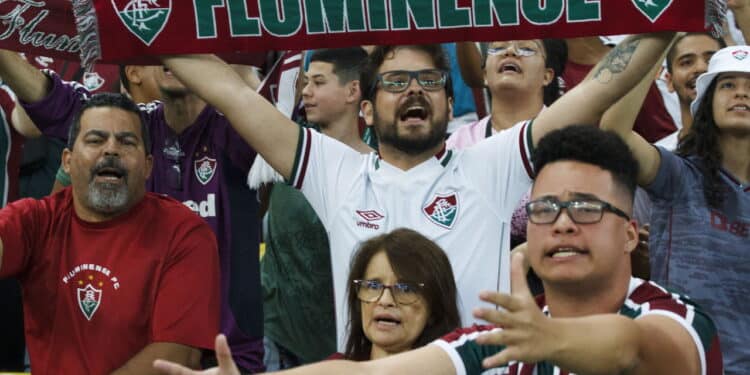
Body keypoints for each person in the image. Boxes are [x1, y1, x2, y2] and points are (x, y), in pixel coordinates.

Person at [161, 33, 676, 350]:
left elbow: (599, 89)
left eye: (430, 82)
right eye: (397, 81)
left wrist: (672, 18)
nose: (414, 90)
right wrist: (135, 28)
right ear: (366, 109)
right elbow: (227, 91)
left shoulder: (489, 165)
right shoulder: (333, 170)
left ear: (451, 108)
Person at [154, 125, 723, 375]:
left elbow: (631, 351)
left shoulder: (673, 318)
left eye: (587, 208)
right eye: (546, 208)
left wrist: (555, 340)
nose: (563, 224)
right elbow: (368, 374)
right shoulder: (507, 339)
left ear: (631, 232)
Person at [0, 50, 265, 372]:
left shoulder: (240, 130)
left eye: (125, 142)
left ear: (147, 164)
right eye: (96, 140)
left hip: (229, 355)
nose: (111, 148)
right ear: (68, 159)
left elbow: (272, 103)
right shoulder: (135, 123)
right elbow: (49, 98)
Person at [602, 45, 750, 374]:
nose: (741, 93)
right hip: (680, 363)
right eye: (727, 85)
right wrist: (657, 43)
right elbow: (613, 133)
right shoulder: (678, 174)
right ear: (706, 103)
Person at [260, 47, 372, 369]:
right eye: (305, 81)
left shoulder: (377, 169)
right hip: (276, 334)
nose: (306, 91)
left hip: (345, 339)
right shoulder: (285, 148)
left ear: (353, 91)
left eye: (318, 82)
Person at [659, 33, 726, 149]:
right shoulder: (658, 158)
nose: (701, 68)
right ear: (669, 81)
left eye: (711, 60)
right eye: (687, 62)